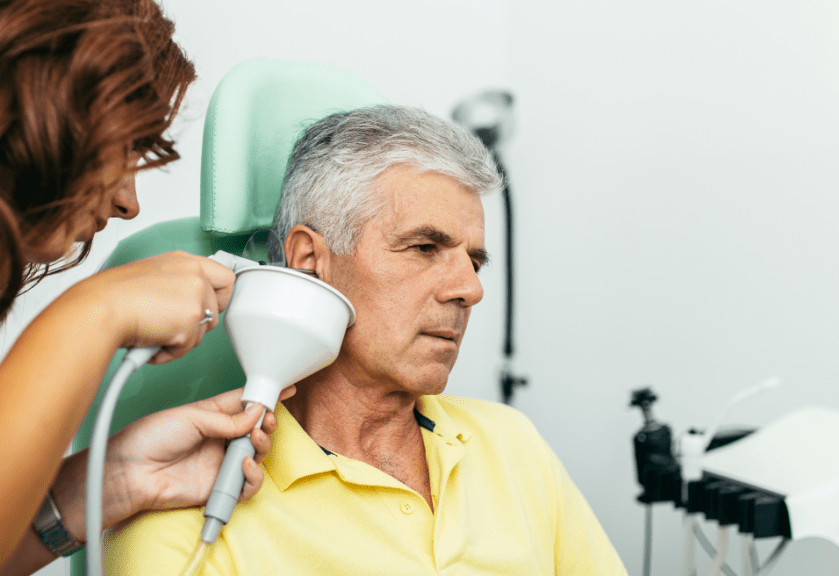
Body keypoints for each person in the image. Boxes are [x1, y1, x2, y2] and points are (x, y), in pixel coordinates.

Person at [0, 0, 291, 575]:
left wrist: (114, 480)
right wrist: (98, 310)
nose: (129, 203)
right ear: (50, 79)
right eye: (128, 146)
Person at [103, 105, 628, 575]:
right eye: (424, 247)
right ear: (311, 261)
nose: (470, 289)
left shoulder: (512, 444)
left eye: (475, 261)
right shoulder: (187, 508)